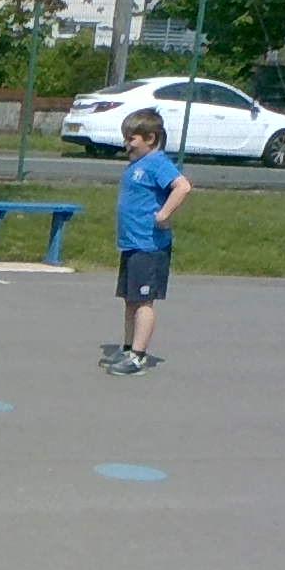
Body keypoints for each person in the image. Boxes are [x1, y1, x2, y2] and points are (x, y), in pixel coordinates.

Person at [105, 108, 192, 377]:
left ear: (150, 138)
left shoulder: (156, 162)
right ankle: (128, 347)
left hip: (149, 246)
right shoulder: (137, 165)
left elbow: (182, 186)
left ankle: (138, 356)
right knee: (130, 300)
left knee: (144, 301)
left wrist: (164, 214)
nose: (127, 144)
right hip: (132, 244)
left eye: (132, 139)